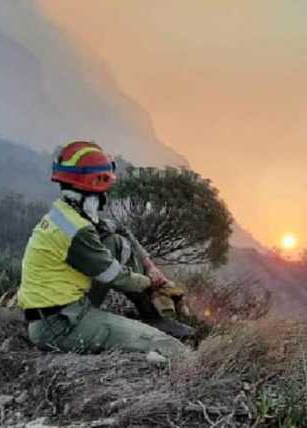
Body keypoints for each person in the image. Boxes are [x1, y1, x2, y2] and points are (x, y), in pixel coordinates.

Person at [17, 140, 192, 364]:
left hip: (58, 308)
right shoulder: (78, 231)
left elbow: (120, 229)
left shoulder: (66, 214)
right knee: (163, 344)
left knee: (117, 242)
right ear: (92, 191)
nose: (104, 199)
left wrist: (149, 265)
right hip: (59, 325)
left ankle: (154, 317)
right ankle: (188, 362)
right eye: (103, 192)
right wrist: (151, 283)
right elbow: (115, 276)